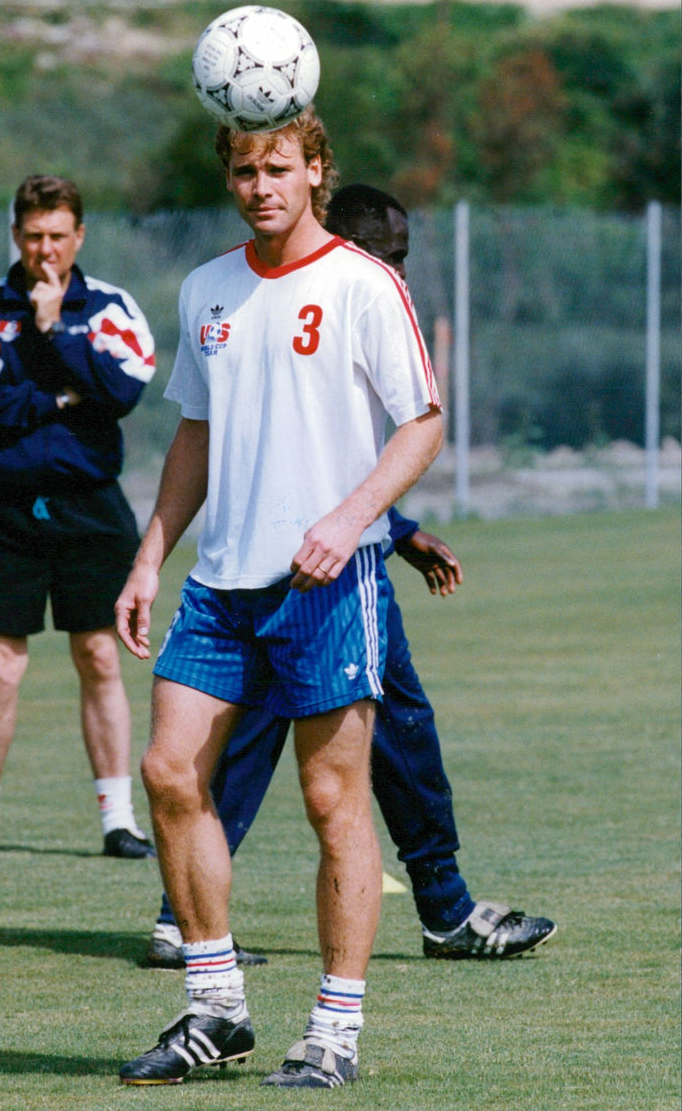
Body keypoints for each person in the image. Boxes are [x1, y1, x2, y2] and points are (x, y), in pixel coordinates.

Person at [144, 184, 557, 967]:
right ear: (350, 240)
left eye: (405, 253)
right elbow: (263, 448)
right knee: (256, 746)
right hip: (288, 577)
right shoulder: (274, 290)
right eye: (390, 252)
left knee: (398, 727)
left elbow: (355, 441)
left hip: (349, 559)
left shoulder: (360, 298)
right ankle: (187, 917)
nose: (400, 268)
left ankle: (442, 904)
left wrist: (392, 530)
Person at [114, 110, 443, 1090]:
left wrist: (350, 520)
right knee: (170, 773)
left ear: (315, 175)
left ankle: (333, 1031)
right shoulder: (206, 289)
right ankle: (215, 1011)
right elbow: (194, 437)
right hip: (219, 587)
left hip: (327, 585)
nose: (261, 186)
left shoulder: (360, 283)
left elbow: (420, 425)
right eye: (246, 170)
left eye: (280, 169)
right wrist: (148, 556)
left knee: (330, 798)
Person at [0, 174, 157, 862]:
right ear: (16, 236)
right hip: (7, 511)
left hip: (90, 510)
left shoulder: (109, 307)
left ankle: (119, 819)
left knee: (98, 655)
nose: (45, 251)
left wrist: (55, 330)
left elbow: (122, 390)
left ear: (79, 236)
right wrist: (59, 401)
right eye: (33, 236)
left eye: (58, 236)